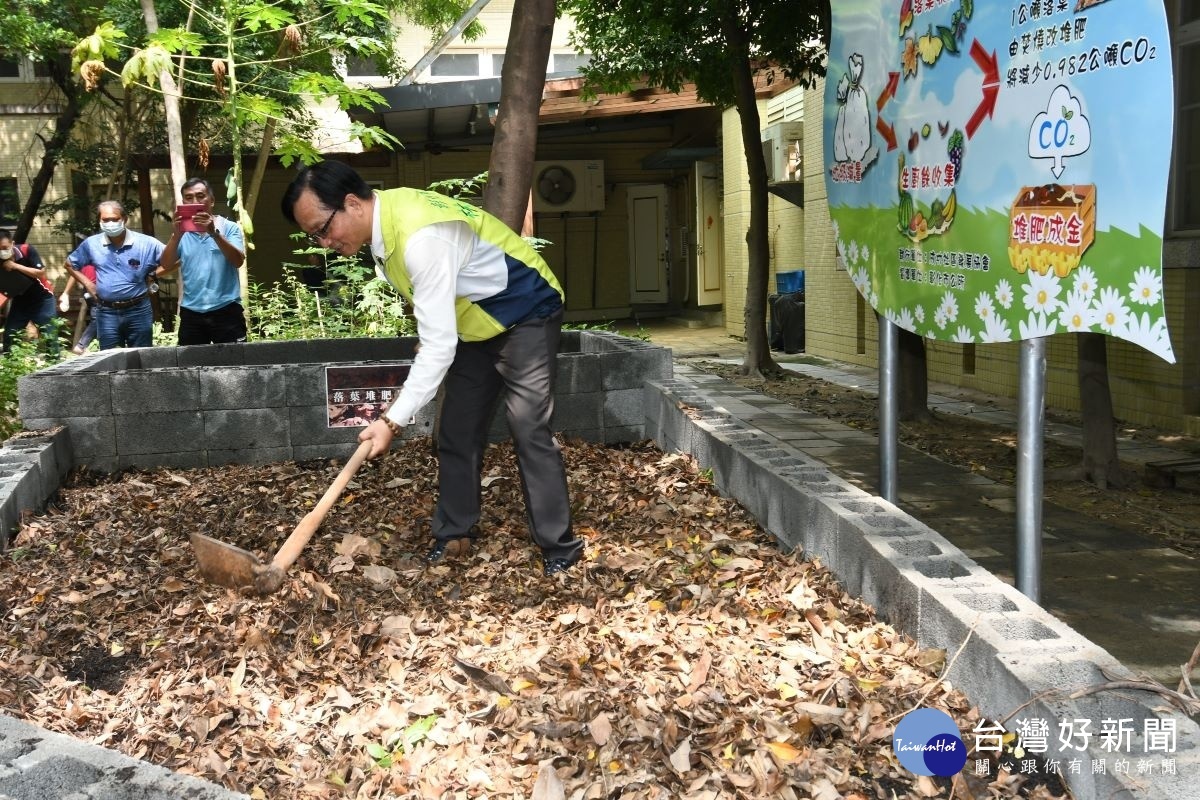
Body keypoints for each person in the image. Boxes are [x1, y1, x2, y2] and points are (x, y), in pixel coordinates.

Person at [281, 161, 583, 577]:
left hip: (527, 309)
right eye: (312, 235)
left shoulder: (421, 236)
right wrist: (435, 328)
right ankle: (454, 532)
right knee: (456, 429)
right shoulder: (384, 228)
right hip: (475, 325)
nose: (321, 242)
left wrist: (390, 420)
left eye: (322, 228)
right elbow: (432, 305)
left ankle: (559, 547)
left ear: (352, 203)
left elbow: (439, 348)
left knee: (528, 424)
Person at [64, 201, 164, 349]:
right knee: (109, 361)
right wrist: (89, 284)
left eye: (114, 219)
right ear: (99, 221)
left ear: (124, 219)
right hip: (106, 312)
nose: (110, 223)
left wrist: (154, 274)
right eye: (105, 220)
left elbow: (174, 260)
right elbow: (70, 264)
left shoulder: (145, 243)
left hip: (138, 310)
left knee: (141, 358)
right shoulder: (91, 244)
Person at [159, 177, 247, 345]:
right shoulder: (181, 233)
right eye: (189, 197)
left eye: (200, 196)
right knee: (191, 367)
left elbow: (238, 261)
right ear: (183, 201)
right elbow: (166, 264)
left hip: (227, 310)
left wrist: (214, 233)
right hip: (191, 312)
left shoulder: (229, 227)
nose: (195, 201)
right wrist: (176, 236)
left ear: (211, 200)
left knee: (234, 364)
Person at [0, 231, 59, 354]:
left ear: (12, 244)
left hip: (43, 299)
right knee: (10, 334)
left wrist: (15, 266)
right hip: (20, 301)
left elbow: (41, 272)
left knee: (50, 336)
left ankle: (54, 363)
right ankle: (10, 366)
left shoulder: (27, 250)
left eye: (5, 248)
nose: (2, 251)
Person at [58, 264, 99, 354]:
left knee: (100, 318)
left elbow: (74, 273)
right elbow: (73, 271)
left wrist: (66, 292)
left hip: (89, 291)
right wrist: (65, 293)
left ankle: (85, 345)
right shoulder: (92, 254)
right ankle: (82, 345)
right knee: (98, 318)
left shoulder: (83, 257)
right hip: (94, 290)